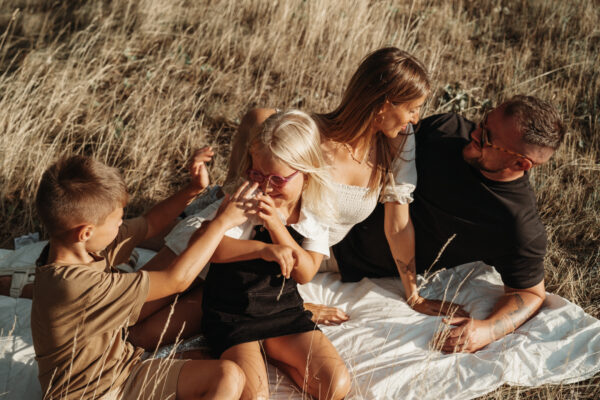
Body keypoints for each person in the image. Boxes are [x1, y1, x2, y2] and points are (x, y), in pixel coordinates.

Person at [331, 95, 566, 353]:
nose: (474, 133)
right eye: (483, 122)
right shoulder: (446, 130)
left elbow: (531, 294)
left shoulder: (515, 223)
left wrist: (487, 330)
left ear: (521, 163)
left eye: (487, 138)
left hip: (338, 254)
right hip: (328, 206)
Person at [31, 152, 249, 399]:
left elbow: (149, 223)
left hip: (124, 373)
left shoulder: (81, 249)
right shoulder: (76, 286)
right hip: (91, 395)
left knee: (228, 375)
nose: (121, 225)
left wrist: (193, 189)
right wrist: (221, 224)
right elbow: (175, 280)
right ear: (86, 232)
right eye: (118, 220)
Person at [164, 110, 351, 400]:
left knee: (335, 386)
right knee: (256, 396)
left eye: (277, 179)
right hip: (234, 313)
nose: (266, 186)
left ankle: (273, 353)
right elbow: (211, 249)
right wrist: (264, 249)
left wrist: (277, 227)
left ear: (306, 173)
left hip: (283, 312)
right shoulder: (246, 200)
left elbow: (305, 272)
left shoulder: (314, 208)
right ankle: (217, 354)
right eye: (257, 174)